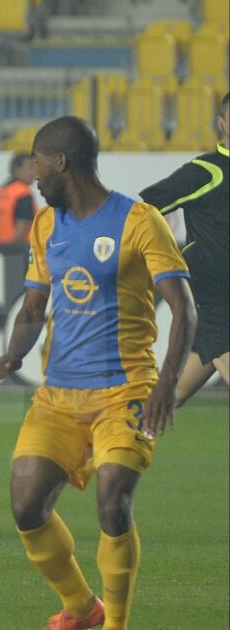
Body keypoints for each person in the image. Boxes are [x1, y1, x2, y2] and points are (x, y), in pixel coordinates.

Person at [0, 116, 196, 630]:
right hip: (58, 395)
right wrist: (14, 354)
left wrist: (166, 381)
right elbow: (35, 304)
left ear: (62, 162)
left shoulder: (138, 221)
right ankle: (80, 608)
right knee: (26, 504)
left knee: (113, 501)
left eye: (36, 162)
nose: (31, 174)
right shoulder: (44, 225)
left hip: (126, 389)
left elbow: (182, 306)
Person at [139, 91, 229, 406]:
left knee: (168, 397)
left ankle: (105, 440)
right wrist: (159, 250)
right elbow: (146, 207)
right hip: (212, 301)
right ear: (222, 123)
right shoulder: (208, 171)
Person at [0, 152, 38, 244]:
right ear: (17, 169)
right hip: (16, 251)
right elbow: (21, 227)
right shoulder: (23, 193)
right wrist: (11, 251)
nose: (34, 172)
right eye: (30, 167)